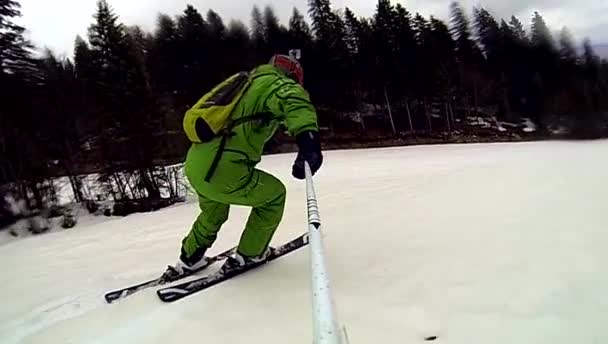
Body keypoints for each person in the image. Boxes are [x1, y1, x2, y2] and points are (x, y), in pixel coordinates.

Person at [164, 54, 323, 278]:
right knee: (274, 196)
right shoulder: (276, 83)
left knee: (213, 213)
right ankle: (251, 254)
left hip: (197, 164)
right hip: (222, 169)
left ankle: (190, 258)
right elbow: (294, 102)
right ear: (293, 75)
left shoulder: (247, 84)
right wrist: (309, 142)